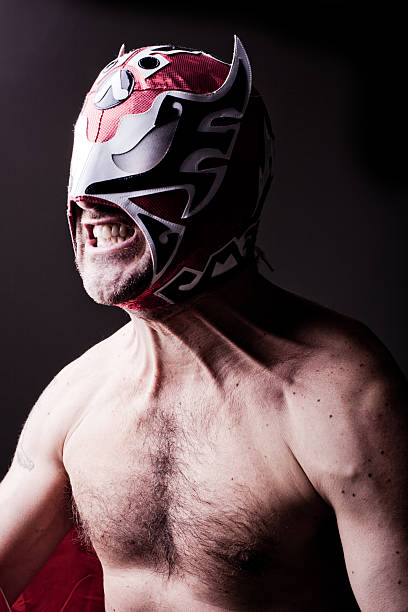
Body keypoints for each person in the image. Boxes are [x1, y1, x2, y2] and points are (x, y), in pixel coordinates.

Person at [0, 36, 407, 612]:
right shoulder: (76, 399)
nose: (90, 209)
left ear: (227, 181)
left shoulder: (343, 401)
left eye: (140, 154)